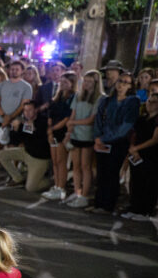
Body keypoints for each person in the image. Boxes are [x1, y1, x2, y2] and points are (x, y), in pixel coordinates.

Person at [93, 71, 140, 213]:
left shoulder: (133, 101)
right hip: (101, 140)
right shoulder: (107, 100)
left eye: (126, 82)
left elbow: (126, 125)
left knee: (111, 173)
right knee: (101, 172)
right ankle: (98, 203)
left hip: (118, 142)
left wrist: (105, 138)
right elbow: (98, 119)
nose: (121, 85)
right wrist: (97, 137)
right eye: (120, 81)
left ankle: (107, 205)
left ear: (130, 86)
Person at [64, 70, 102, 209]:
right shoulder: (78, 96)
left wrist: (73, 124)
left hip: (87, 136)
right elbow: (72, 114)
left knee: (86, 166)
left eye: (90, 81)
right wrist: (69, 132)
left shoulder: (99, 98)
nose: (86, 84)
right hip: (75, 135)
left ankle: (84, 195)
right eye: (85, 81)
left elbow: (91, 120)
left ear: (96, 83)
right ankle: (76, 192)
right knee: (76, 166)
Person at [0, 100, 52, 193]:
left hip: (39, 158)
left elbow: (43, 141)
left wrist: (33, 129)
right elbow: (18, 140)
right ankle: (18, 178)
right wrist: (16, 129)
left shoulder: (43, 120)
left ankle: (51, 181)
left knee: (31, 188)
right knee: (1, 155)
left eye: (30, 110)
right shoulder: (24, 122)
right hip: (26, 152)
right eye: (25, 110)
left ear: (35, 110)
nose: (27, 113)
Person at [42, 72, 76, 201]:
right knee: (55, 161)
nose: (62, 84)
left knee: (61, 162)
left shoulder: (72, 98)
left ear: (72, 83)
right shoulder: (57, 97)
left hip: (62, 132)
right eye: (61, 82)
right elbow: (50, 114)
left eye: (66, 82)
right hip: (53, 132)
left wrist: (53, 128)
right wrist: (50, 131)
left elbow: (67, 117)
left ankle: (61, 187)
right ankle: (56, 186)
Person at [124, 89, 158, 220]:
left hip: (151, 155)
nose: (151, 104)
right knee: (136, 181)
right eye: (150, 101)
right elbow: (134, 134)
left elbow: (155, 139)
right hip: (137, 154)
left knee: (148, 183)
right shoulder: (142, 118)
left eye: (155, 102)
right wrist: (133, 148)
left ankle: (145, 211)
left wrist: (137, 148)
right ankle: (135, 207)